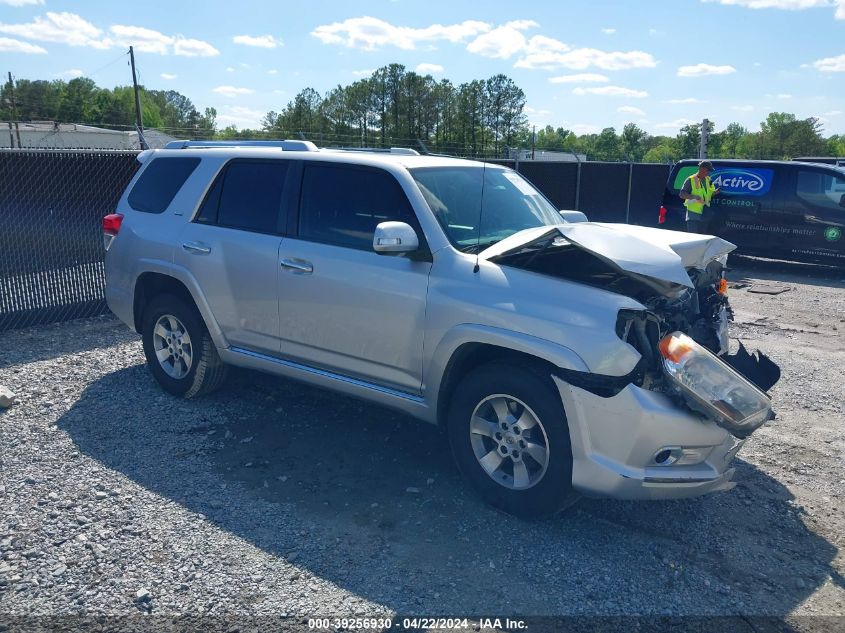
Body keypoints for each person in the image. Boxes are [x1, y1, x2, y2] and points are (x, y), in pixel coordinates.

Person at [679, 160, 720, 233]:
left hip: (705, 213)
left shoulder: (708, 179)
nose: (709, 172)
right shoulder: (691, 179)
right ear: (702, 169)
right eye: (708, 170)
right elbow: (682, 194)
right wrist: (694, 196)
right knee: (693, 237)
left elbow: (709, 194)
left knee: (702, 237)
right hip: (693, 215)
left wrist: (715, 192)